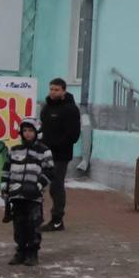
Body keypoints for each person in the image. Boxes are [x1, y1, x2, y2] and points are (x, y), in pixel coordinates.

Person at [1, 117, 54, 266]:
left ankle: (32, 252)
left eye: (31, 130)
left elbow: (50, 172)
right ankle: (20, 251)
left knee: (33, 224)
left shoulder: (44, 151)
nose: (27, 133)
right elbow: (6, 170)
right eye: (24, 130)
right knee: (19, 224)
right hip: (16, 195)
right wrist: (5, 187)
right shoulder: (15, 150)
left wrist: (38, 185)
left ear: (37, 132)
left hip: (33, 197)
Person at [39, 78, 81, 232]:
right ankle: (35, 216)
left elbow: (73, 135)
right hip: (43, 154)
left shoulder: (70, 109)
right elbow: (42, 129)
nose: (52, 92)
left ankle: (57, 220)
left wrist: (54, 145)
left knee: (56, 187)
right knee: (38, 184)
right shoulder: (46, 108)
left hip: (60, 155)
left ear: (63, 91)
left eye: (56, 89)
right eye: (51, 89)